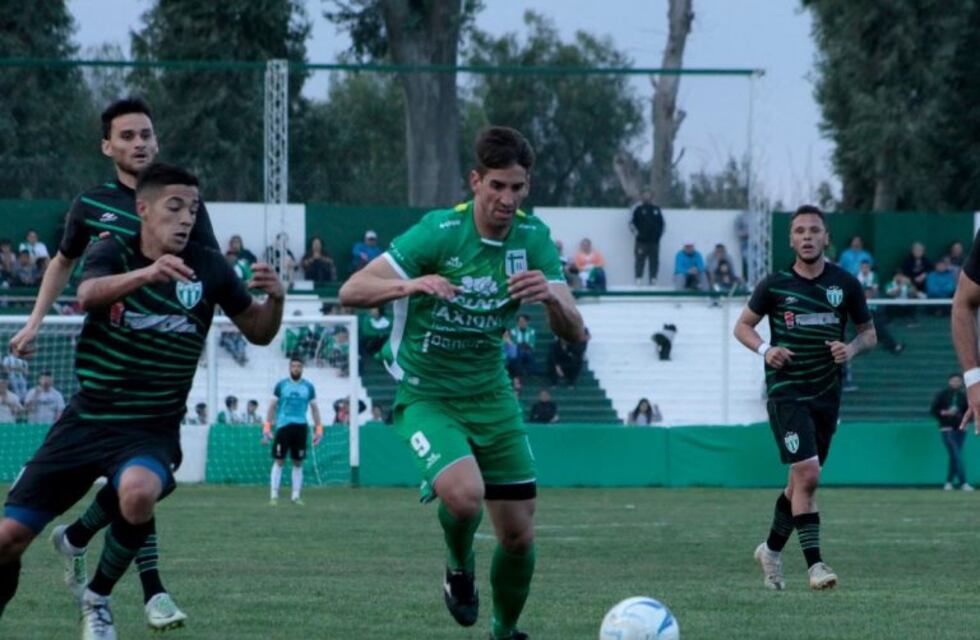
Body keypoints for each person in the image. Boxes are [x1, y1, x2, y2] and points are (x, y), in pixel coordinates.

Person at [0, 163, 284, 638]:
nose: (186, 218)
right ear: (143, 209)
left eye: (193, 209)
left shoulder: (210, 265)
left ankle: (97, 598)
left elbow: (257, 331)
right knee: (8, 541)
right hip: (86, 419)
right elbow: (88, 293)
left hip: (148, 428)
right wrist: (147, 275)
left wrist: (275, 302)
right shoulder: (114, 250)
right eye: (174, 207)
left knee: (137, 492)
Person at [339, 126, 586, 640]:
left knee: (518, 536)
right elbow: (352, 289)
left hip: (492, 397)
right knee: (465, 496)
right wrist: (413, 283)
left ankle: (504, 630)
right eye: (497, 186)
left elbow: (576, 332)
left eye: (517, 188)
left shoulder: (534, 240)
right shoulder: (438, 233)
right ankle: (457, 567)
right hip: (427, 395)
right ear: (475, 181)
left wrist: (553, 299)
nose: (507, 198)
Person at [5, 100, 223, 632]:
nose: (140, 143)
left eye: (147, 134)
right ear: (108, 147)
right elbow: (63, 262)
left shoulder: (185, 205)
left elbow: (209, 278)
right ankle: (129, 575)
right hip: (102, 385)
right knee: (10, 538)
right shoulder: (91, 205)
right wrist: (35, 321)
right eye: (127, 136)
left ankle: (121, 587)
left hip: (154, 392)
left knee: (139, 488)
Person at [734, 204, 876, 592]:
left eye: (815, 230)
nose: (807, 236)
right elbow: (742, 326)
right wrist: (765, 349)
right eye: (800, 231)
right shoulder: (775, 285)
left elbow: (869, 334)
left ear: (826, 237)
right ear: (791, 239)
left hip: (826, 395)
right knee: (808, 475)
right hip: (787, 393)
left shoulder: (845, 284)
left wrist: (851, 349)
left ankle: (771, 551)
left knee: (799, 482)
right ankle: (815, 566)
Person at [263, 358, 322, 506]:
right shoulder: (281, 385)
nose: (296, 368)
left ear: (302, 368)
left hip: (301, 427)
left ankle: (295, 496)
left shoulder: (309, 387)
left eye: (299, 366)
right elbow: (272, 407)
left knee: (298, 462)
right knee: (279, 460)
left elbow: (314, 409)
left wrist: (319, 429)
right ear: (289, 368)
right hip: (283, 427)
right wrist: (267, 427)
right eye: (293, 366)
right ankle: (274, 495)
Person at [930, 374, 972, 491]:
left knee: (954, 455)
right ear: (949, 381)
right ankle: (963, 482)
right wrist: (943, 413)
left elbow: (970, 411)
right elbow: (933, 410)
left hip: (960, 428)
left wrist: (963, 418)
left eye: (958, 381)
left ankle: (948, 482)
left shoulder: (963, 396)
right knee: (956, 453)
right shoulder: (942, 395)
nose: (955, 383)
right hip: (946, 428)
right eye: (953, 380)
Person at [630, 190, 665, 286]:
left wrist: (658, 235)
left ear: (652, 196)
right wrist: (638, 234)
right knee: (639, 260)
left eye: (649, 194)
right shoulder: (637, 209)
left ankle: (653, 279)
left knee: (654, 260)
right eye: (645, 194)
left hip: (654, 242)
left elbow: (662, 224)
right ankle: (638, 279)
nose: (647, 196)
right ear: (642, 196)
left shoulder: (656, 209)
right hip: (641, 241)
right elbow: (631, 223)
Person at [511, 314, 537, 379]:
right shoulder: (513, 331)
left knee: (528, 353)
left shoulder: (532, 331)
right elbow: (514, 343)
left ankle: (530, 373)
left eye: (523, 321)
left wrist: (526, 346)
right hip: (517, 351)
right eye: (520, 321)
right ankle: (518, 374)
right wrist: (522, 345)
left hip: (528, 350)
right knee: (519, 353)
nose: (521, 323)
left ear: (527, 322)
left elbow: (532, 343)